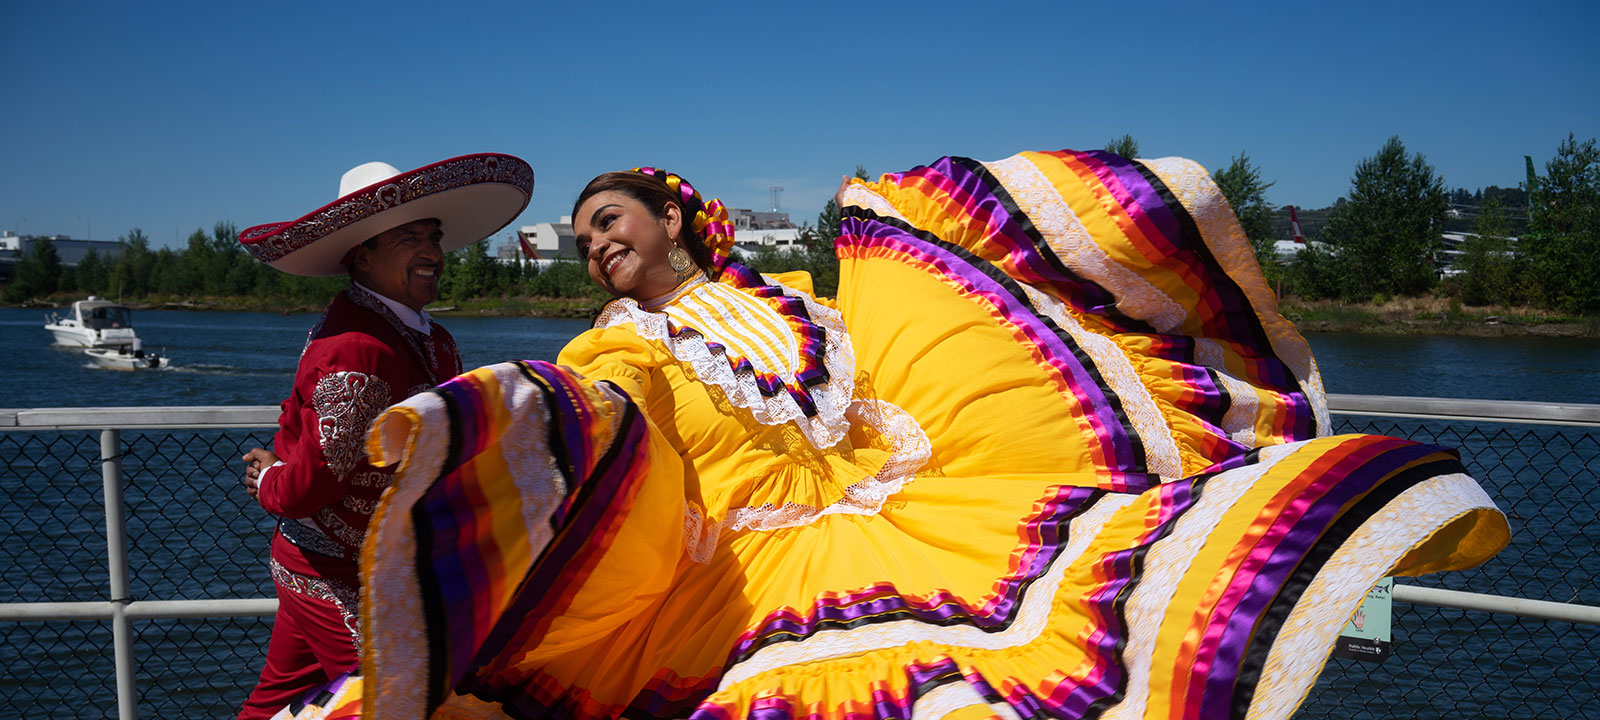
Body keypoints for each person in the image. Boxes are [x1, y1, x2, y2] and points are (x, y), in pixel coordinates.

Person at [300, 150, 1506, 720]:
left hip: (924, 512)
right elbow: (609, 436)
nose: (600, 242)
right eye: (584, 239)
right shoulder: (610, 348)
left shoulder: (798, 296)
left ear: (673, 213)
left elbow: (896, 363)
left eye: (611, 219)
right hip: (749, 578)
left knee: (1071, 645)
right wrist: (510, 416)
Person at [232, 153, 535, 720]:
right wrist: (270, 477)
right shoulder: (358, 345)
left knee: (278, 700)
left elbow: (303, 418)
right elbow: (306, 486)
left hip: (369, 563)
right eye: (408, 238)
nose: (431, 252)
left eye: (432, 236)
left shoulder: (428, 338)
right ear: (362, 256)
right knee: (399, 704)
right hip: (332, 569)